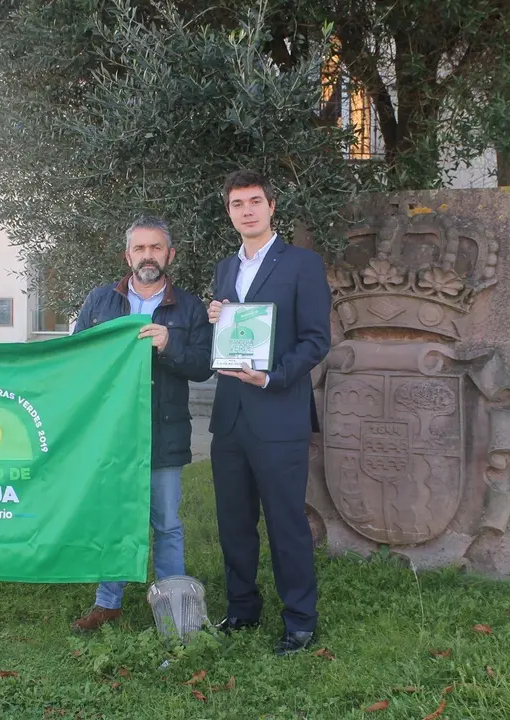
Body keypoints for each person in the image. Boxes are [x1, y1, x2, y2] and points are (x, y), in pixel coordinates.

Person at [207, 169, 332, 655]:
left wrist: (273, 375)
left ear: (272, 206)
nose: (247, 210)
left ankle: (300, 621)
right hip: (230, 417)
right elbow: (233, 333)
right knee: (233, 521)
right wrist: (219, 318)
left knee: (285, 523)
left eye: (255, 201)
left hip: (279, 412)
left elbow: (317, 340)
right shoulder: (225, 268)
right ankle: (242, 609)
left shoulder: (302, 264)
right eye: (237, 204)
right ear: (230, 212)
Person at [70, 214, 213, 631]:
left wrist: (171, 344)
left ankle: (173, 606)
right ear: (127, 255)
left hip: (163, 429)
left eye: (155, 248)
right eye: (139, 248)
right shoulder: (101, 301)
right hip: (111, 432)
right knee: (113, 515)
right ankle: (107, 602)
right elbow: (79, 357)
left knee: (166, 522)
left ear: (170, 254)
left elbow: (204, 366)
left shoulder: (189, 307)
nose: (147, 256)